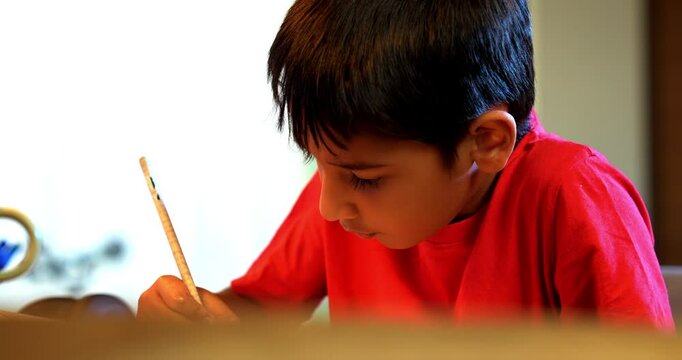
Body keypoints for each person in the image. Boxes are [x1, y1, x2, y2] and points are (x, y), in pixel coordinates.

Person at [137, 0, 674, 329]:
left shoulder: (573, 195)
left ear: (485, 142)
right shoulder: (343, 198)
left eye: (365, 178)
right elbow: (252, 314)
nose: (328, 206)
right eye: (316, 163)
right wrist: (192, 319)